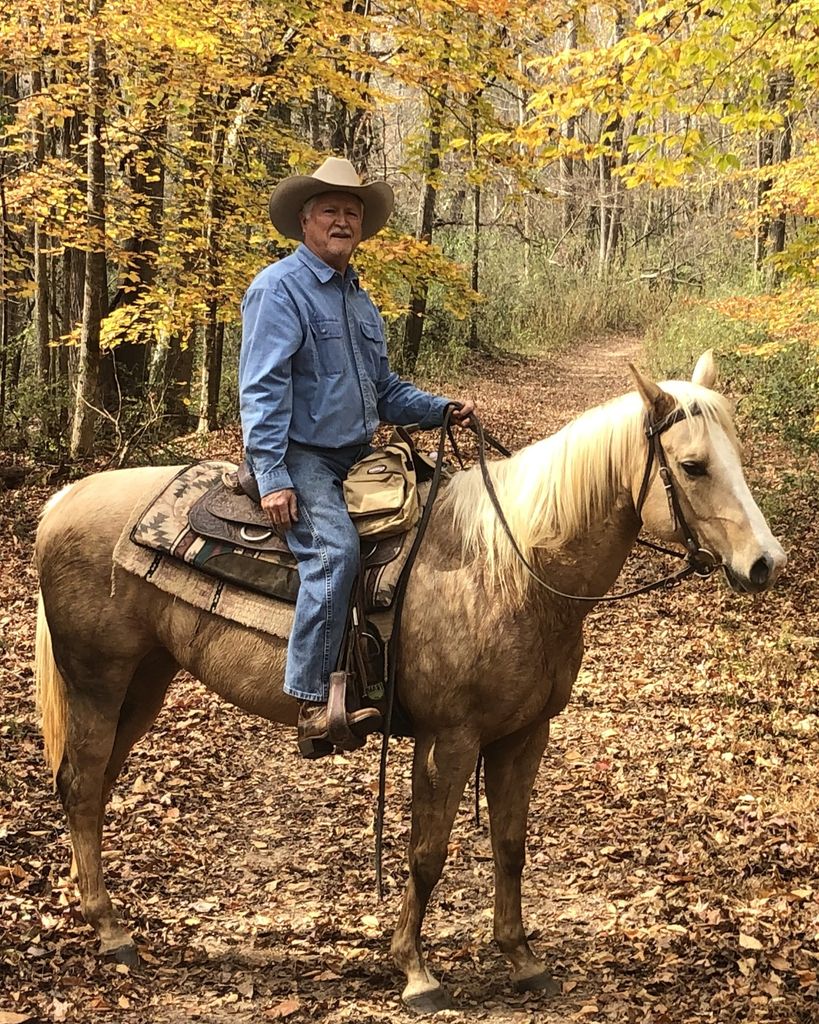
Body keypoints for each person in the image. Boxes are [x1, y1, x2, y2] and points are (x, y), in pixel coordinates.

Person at [239, 157, 476, 757]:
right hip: (302, 457)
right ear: (305, 221)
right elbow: (262, 387)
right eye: (330, 210)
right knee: (334, 548)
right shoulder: (278, 289)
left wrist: (439, 408)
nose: (342, 220)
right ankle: (313, 699)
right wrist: (272, 475)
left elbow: (385, 390)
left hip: (358, 455)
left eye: (352, 212)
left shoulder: (360, 303)